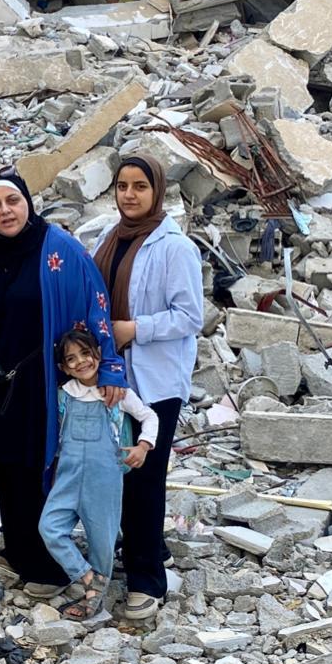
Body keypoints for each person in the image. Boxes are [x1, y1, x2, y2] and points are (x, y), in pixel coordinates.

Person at [0, 173, 126, 598]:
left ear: (28, 202)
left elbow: (95, 306)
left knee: (43, 464)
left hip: (45, 383)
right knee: (10, 465)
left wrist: (108, 368)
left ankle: (48, 561)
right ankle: (19, 549)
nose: (5, 211)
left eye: (12, 201)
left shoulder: (62, 251)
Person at [91, 156, 203, 621]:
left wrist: (134, 329)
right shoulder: (106, 237)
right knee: (119, 472)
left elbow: (190, 316)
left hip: (155, 381)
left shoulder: (175, 247)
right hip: (113, 378)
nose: (130, 195)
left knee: (145, 476)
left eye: (140, 186)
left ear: (157, 191)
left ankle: (146, 581)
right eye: (122, 185)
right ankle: (143, 546)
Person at [38, 329, 158, 620]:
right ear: (64, 368)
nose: (80, 362)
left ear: (98, 354)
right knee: (49, 527)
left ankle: (94, 600)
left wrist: (143, 446)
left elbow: (149, 416)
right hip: (67, 476)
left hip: (104, 478)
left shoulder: (116, 392)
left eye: (85, 353)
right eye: (71, 359)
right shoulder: (64, 395)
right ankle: (89, 578)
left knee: (102, 539)